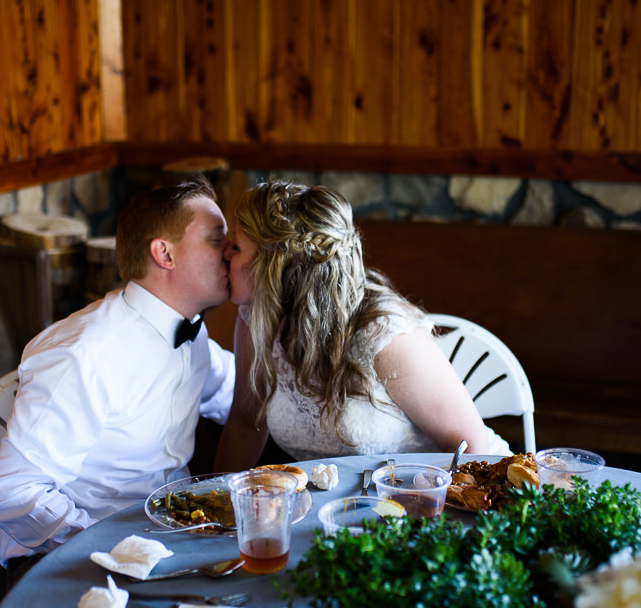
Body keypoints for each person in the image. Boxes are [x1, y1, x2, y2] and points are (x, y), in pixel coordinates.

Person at [0, 178, 235, 580]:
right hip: (72, 555)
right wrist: (113, 548)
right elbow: (14, 495)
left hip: (170, 536)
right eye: (215, 239)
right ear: (164, 253)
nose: (230, 252)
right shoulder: (82, 354)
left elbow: (238, 394)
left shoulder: (193, 333)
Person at [214, 180, 511, 468]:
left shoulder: (383, 333)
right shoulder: (255, 318)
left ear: (274, 264)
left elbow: (469, 448)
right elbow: (244, 421)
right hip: (343, 509)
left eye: (236, 246)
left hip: (448, 494)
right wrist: (216, 505)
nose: (225, 253)